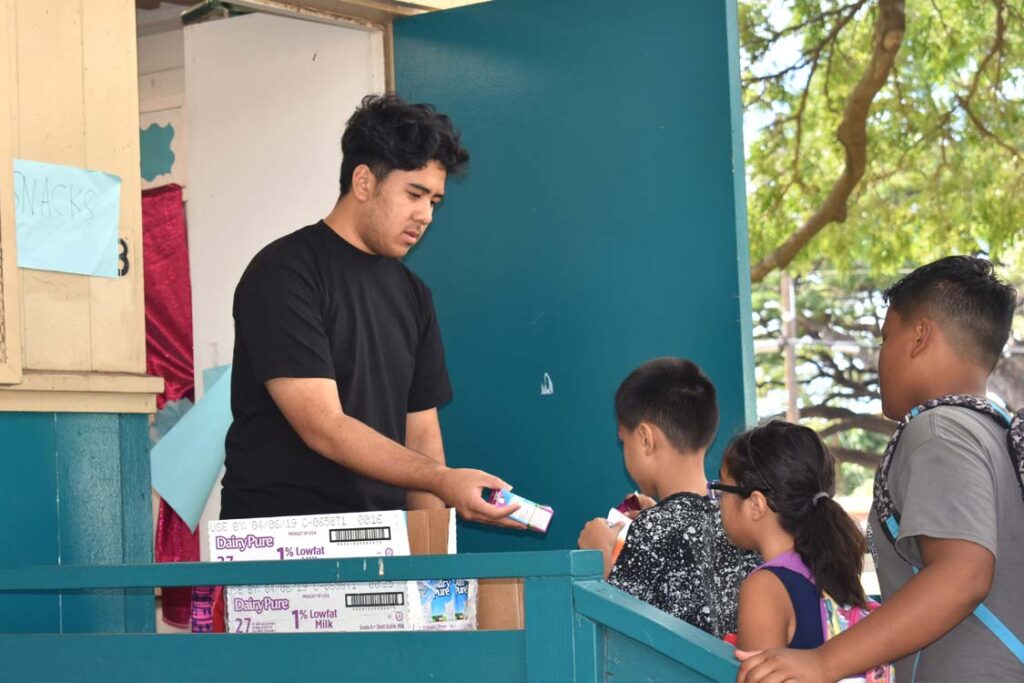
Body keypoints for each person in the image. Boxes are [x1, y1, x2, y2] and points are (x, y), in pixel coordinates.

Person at [220, 94, 519, 528]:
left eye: (434, 201)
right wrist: (441, 479)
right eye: (414, 194)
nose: (426, 216)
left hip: (379, 541)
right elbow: (323, 424)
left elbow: (422, 437)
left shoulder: (413, 294)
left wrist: (436, 563)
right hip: (280, 539)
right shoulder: (283, 273)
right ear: (364, 182)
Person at [738, 256, 1023, 682]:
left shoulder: (938, 430)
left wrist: (823, 662)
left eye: (886, 338)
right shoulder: (995, 432)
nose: (880, 358)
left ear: (920, 336)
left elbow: (963, 573)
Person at [577, 357, 759, 638]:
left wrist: (599, 553)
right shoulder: (738, 515)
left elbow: (621, 631)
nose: (624, 450)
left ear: (646, 439)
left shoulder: (654, 526)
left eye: (623, 441)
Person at [711, 421, 867, 651]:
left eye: (722, 489)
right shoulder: (828, 567)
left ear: (755, 504)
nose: (718, 501)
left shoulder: (765, 588)